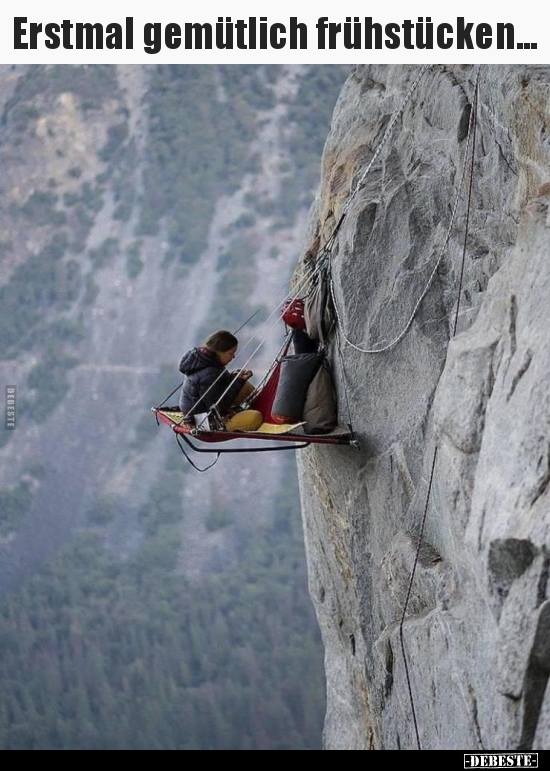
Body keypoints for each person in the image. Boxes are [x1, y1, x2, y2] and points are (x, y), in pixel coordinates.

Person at [178, 330, 263, 432]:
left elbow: (219, 387)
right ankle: (261, 411)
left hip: (209, 408)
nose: (233, 357)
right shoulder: (208, 373)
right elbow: (218, 406)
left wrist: (234, 377)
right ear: (219, 352)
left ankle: (264, 406)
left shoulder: (209, 361)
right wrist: (239, 381)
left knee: (245, 386)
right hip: (203, 421)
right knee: (255, 418)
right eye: (231, 353)